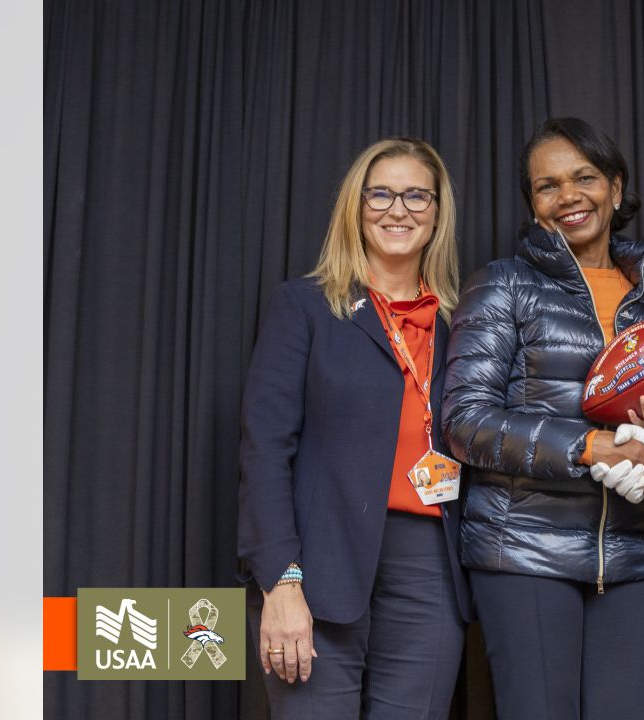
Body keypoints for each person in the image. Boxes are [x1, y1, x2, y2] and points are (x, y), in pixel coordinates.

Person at [442, 117, 644, 720]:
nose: (568, 197)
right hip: (525, 549)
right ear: (533, 205)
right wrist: (591, 447)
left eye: (584, 177)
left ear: (616, 188)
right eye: (547, 186)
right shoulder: (503, 286)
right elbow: (465, 421)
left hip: (636, 550)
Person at [238, 137, 469, 719]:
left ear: (438, 211)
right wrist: (281, 581)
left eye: (417, 195)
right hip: (318, 565)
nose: (399, 210)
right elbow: (265, 450)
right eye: (382, 194)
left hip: (430, 571)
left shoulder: (462, 322)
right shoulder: (305, 307)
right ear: (356, 207)